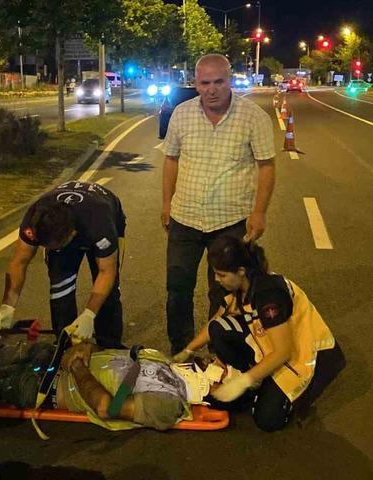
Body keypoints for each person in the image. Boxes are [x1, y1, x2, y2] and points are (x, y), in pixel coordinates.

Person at [161, 53, 276, 355]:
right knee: (178, 289)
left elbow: (266, 166)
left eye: (218, 82)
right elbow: (170, 159)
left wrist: (259, 213)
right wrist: (166, 203)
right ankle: (182, 351)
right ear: (195, 83)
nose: (211, 90)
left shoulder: (253, 117)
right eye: (204, 83)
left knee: (223, 294)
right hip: (185, 217)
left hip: (230, 222)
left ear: (230, 80)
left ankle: (219, 356)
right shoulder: (181, 114)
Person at [174, 236, 345, 432]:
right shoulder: (243, 285)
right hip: (273, 347)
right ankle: (258, 381)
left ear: (240, 271)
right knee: (218, 330)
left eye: (221, 275)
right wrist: (188, 349)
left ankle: (279, 393)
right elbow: (216, 322)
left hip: (304, 357)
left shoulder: (268, 295)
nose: (216, 280)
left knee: (267, 420)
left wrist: (243, 381)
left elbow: (283, 352)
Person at [0, 340, 213, 432]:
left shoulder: (169, 405)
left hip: (45, 387)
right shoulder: (168, 363)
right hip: (55, 358)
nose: (218, 361)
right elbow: (118, 357)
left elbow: (107, 407)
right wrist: (86, 348)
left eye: (225, 369)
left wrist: (76, 367)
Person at [0, 181, 126, 347]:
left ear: (72, 234)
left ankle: (109, 346)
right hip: (63, 226)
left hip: (104, 213)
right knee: (60, 289)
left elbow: (107, 271)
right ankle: (65, 346)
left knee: (109, 294)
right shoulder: (34, 218)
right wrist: (8, 305)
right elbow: (19, 261)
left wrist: (89, 314)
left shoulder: (100, 223)